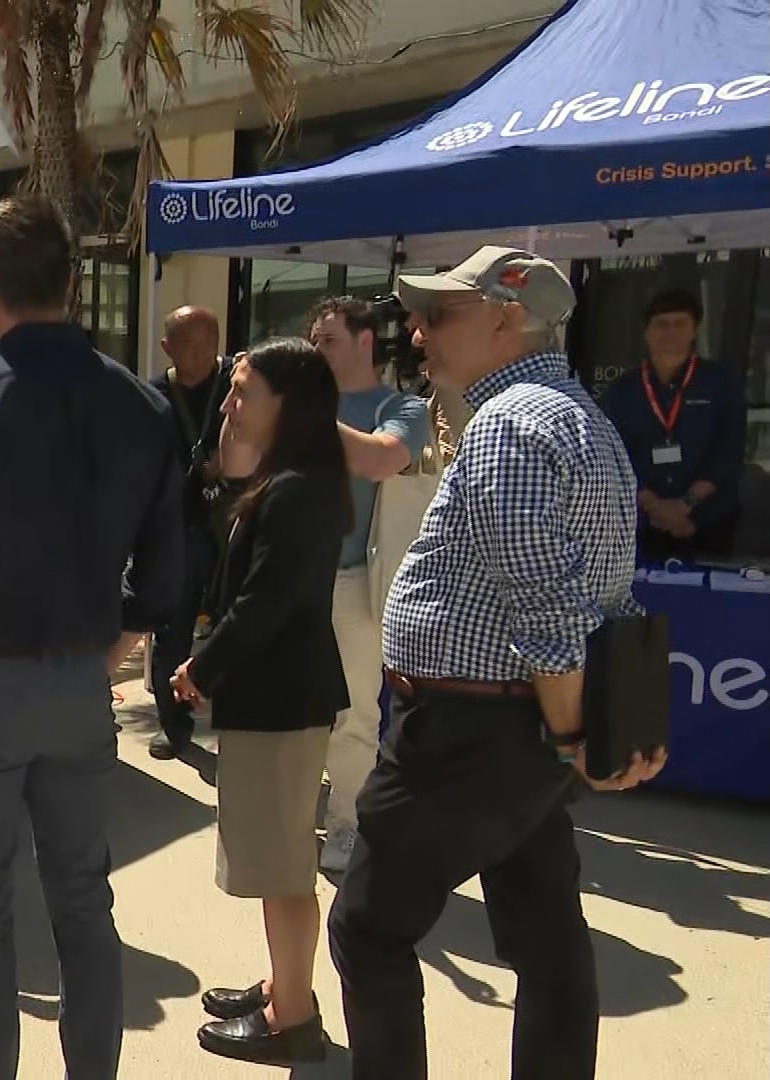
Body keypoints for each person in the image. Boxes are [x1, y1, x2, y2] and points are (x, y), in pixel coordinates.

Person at [328, 246, 668, 1080]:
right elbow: (609, 595)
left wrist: (570, 739)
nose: (418, 329)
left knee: (367, 928)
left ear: (506, 318)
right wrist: (585, 731)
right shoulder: (582, 418)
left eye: (440, 314)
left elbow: (547, 605)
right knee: (545, 936)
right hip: (517, 723)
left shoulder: (512, 424)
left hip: (471, 727)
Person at [0, 197, 182, 1080]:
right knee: (83, 905)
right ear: (72, 283)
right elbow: (174, 559)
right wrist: (127, 631)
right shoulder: (141, 404)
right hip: (78, 681)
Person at [171, 339, 350, 1065]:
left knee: (281, 870)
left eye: (244, 392)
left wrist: (204, 668)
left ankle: (293, 1019)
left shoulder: (298, 488)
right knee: (279, 865)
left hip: (281, 699)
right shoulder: (289, 478)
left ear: (291, 403)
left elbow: (264, 602)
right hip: (277, 696)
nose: (228, 403)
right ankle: (284, 987)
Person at [306, 296, 429, 873]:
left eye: (327, 339)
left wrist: (303, 415)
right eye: (313, 340)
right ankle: (299, 810)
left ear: (363, 342)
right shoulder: (300, 401)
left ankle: (347, 824)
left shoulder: (400, 406)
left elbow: (383, 459)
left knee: (354, 713)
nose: (316, 350)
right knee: (299, 710)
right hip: (294, 576)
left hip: (355, 581)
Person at [599, 288, 749, 562]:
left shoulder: (722, 383)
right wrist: (654, 507)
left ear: (694, 330)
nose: (670, 332)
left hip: (708, 520)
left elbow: (729, 452)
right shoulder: (622, 391)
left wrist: (685, 506)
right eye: (661, 325)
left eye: (679, 324)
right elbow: (610, 457)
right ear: (647, 332)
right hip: (643, 523)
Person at [147, 304, 230, 761]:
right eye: (188, 347)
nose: (199, 356)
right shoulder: (153, 397)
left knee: (234, 627)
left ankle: (235, 721)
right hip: (177, 533)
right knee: (171, 635)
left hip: (229, 530)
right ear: (167, 348)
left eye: (208, 345)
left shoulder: (238, 384)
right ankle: (173, 725)